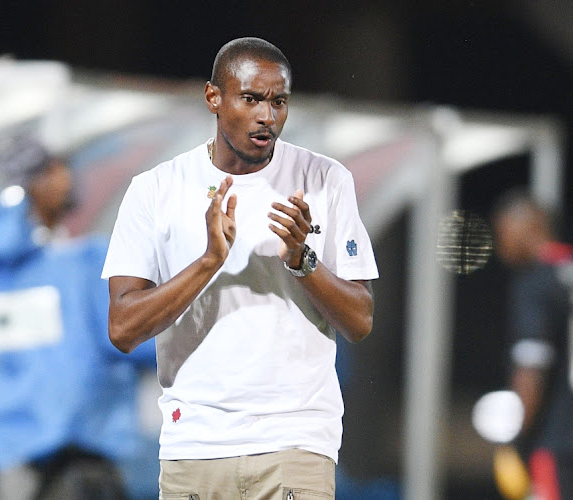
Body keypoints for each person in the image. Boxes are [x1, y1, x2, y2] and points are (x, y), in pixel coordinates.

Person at [102, 37, 379, 499]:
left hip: (295, 443)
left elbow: (361, 320)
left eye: (279, 101)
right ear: (214, 98)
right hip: (194, 444)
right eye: (251, 99)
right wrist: (209, 261)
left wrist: (302, 261)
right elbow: (122, 327)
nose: (267, 116)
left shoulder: (325, 179)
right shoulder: (156, 189)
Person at [0, 135, 156, 500]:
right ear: (35, 184)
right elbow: (146, 340)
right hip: (77, 470)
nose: (66, 178)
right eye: (54, 169)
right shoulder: (80, 268)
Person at [491, 190, 573, 500]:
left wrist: (514, 440)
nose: (500, 244)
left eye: (503, 231)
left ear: (529, 225)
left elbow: (531, 367)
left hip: (553, 442)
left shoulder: (536, 281)